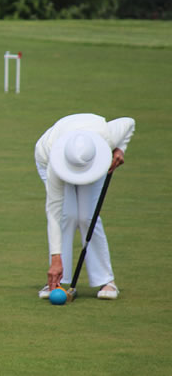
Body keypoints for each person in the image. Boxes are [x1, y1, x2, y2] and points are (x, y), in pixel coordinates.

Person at [34, 113, 135, 300]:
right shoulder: (53, 160)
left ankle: (107, 280)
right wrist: (56, 258)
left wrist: (120, 148)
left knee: (88, 216)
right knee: (67, 214)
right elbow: (54, 213)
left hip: (95, 164)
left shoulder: (108, 136)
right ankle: (57, 280)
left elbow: (129, 123)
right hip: (50, 161)